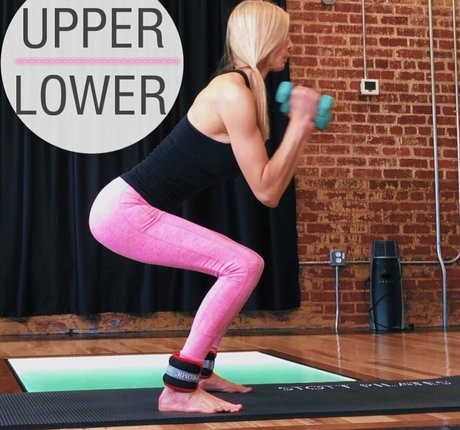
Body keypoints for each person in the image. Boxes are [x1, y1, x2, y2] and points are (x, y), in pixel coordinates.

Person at [89, 0, 319, 414]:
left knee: (241, 265)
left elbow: (271, 184)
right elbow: (267, 191)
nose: (290, 44)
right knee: (243, 264)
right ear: (265, 39)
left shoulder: (242, 91)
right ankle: (179, 388)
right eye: (284, 35)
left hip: (129, 209)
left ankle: (203, 372)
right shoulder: (232, 94)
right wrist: (299, 126)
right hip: (124, 211)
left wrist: (298, 130)